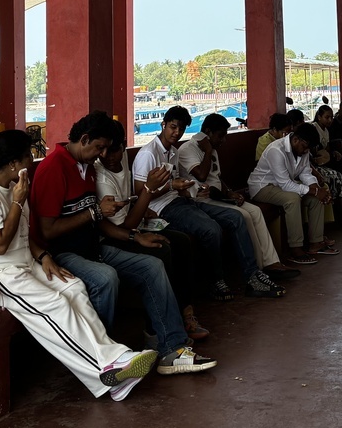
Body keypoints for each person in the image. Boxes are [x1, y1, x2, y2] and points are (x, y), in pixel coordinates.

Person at [0, 128, 156, 401]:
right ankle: (107, 368)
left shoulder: (15, 188)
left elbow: (24, 237)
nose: (32, 163)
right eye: (27, 157)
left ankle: (116, 365)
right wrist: (17, 202)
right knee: (55, 304)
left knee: (73, 287)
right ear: (13, 162)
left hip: (24, 263)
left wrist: (44, 256)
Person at [29, 111, 217, 376]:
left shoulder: (86, 167)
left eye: (107, 148)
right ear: (84, 139)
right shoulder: (53, 168)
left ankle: (171, 349)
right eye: (99, 147)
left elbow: (99, 222)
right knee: (105, 278)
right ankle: (99, 360)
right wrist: (94, 213)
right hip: (63, 254)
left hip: (93, 246)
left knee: (152, 266)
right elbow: (47, 231)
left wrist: (133, 237)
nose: (103, 155)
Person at [131, 106, 284, 300]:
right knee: (211, 229)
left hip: (181, 201)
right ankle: (216, 281)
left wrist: (184, 189)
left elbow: (178, 183)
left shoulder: (173, 152)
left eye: (181, 129)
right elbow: (139, 192)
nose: (176, 133)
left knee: (236, 217)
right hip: (162, 209)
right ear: (163, 125)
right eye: (172, 127)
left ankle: (252, 276)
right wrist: (172, 186)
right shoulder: (148, 154)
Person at [94, 136, 211, 342]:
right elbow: (123, 226)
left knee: (181, 241)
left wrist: (140, 208)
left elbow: (128, 201)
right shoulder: (101, 175)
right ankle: (155, 330)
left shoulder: (120, 162)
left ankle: (185, 312)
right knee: (161, 250)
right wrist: (149, 190)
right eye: (104, 151)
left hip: (133, 226)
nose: (109, 157)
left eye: (115, 150)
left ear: (123, 147)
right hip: (114, 237)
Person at [179, 113, 300, 280]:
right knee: (244, 216)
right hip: (202, 199)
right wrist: (207, 150)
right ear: (207, 132)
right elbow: (201, 175)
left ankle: (271, 263)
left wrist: (230, 192)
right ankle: (257, 269)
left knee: (255, 211)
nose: (223, 141)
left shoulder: (213, 149)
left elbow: (216, 177)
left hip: (220, 196)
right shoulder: (188, 149)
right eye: (220, 136)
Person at [249, 123, 336, 264]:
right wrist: (314, 191)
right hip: (263, 187)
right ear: (296, 140)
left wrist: (317, 190)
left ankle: (316, 242)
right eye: (305, 147)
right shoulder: (276, 150)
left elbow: (305, 173)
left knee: (315, 198)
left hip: (282, 186)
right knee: (292, 199)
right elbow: (286, 184)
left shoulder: (303, 150)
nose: (306, 151)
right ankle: (295, 248)